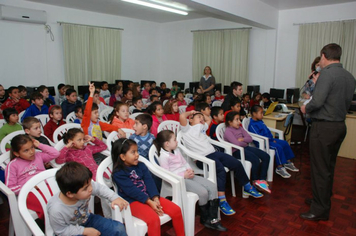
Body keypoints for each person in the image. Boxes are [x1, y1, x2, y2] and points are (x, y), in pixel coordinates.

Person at [300, 43, 356, 221]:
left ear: (323, 56)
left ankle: (320, 209)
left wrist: (304, 108)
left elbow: (317, 102)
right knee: (328, 167)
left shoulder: (327, 74)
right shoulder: (349, 76)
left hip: (324, 128)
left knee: (319, 169)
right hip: (339, 126)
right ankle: (321, 200)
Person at [180, 110, 263, 216]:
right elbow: (182, 116)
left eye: (202, 117)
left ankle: (247, 186)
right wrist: (192, 112)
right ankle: (222, 200)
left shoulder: (202, 127)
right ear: (190, 120)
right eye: (198, 118)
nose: (202, 119)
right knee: (221, 170)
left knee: (236, 163)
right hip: (202, 158)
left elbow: (209, 119)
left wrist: (201, 116)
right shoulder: (187, 129)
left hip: (213, 153)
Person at [154, 130, 227, 232]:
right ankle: (205, 218)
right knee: (203, 192)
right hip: (178, 180)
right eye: (174, 140)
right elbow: (166, 173)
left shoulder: (176, 150)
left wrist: (189, 170)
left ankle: (213, 218)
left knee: (212, 186)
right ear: (167, 144)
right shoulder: (164, 156)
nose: (177, 142)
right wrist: (183, 175)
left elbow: (185, 162)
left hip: (188, 175)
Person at [111, 138, 185, 236]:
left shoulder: (141, 166)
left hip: (149, 197)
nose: (137, 155)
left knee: (176, 210)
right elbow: (131, 191)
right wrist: (149, 202)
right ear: (123, 157)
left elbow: (149, 182)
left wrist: (155, 198)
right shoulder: (118, 173)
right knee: (153, 219)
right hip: (132, 203)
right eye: (133, 152)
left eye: (137, 151)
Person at [47, 162, 128, 236]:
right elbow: (61, 231)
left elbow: (100, 189)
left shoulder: (84, 187)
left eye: (90, 184)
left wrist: (114, 197)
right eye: (85, 188)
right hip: (70, 231)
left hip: (87, 219)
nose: (90, 189)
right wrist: (84, 231)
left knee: (118, 229)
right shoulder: (56, 209)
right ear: (70, 194)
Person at [6, 134, 59, 219]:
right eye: (26, 150)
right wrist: (30, 187)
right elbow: (10, 187)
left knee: (62, 199)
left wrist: (39, 145)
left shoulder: (38, 155)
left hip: (46, 187)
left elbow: (55, 153)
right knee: (46, 206)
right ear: (16, 153)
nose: (31, 152)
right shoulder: (13, 165)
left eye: (32, 147)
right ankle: (53, 225)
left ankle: (64, 222)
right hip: (29, 193)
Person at [224, 111, 271, 193]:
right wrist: (244, 142)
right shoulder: (228, 131)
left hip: (245, 147)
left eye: (239, 119)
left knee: (266, 156)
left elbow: (250, 138)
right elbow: (237, 144)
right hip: (236, 151)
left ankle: (262, 180)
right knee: (255, 159)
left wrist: (243, 139)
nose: (239, 122)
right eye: (237, 120)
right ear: (230, 122)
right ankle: (255, 181)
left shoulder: (240, 128)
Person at [248, 105, 299, 178]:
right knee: (277, 147)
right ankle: (279, 167)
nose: (262, 115)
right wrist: (270, 140)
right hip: (264, 143)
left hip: (270, 140)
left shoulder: (260, 121)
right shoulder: (252, 125)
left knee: (284, 143)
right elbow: (259, 137)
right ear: (254, 114)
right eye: (261, 113)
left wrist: (272, 139)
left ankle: (288, 162)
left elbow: (267, 131)